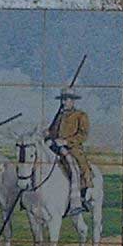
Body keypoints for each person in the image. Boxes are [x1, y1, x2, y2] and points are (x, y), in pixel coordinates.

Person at [46, 88, 93, 216]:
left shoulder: (80, 115)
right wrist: (47, 135)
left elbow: (83, 135)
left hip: (73, 149)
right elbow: (52, 131)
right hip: (55, 147)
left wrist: (66, 142)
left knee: (74, 168)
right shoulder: (59, 115)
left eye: (67, 99)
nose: (64, 102)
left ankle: (78, 201)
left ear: (73, 101)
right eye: (63, 99)